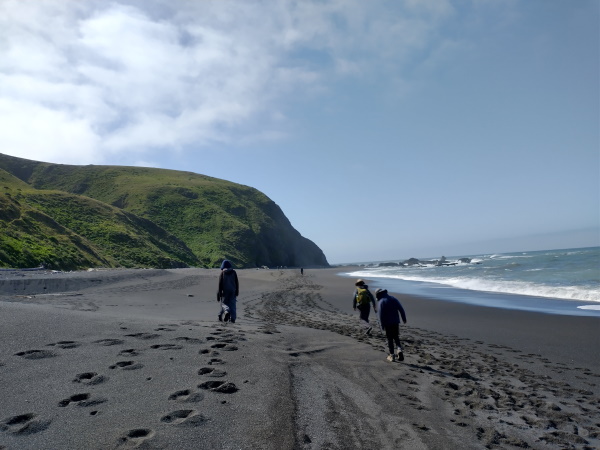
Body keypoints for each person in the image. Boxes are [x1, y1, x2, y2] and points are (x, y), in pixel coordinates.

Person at [376, 288, 407, 362]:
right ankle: (399, 350)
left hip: (387, 323)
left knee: (390, 339)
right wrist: (404, 318)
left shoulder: (381, 302)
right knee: (396, 336)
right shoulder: (393, 298)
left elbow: (381, 315)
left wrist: (382, 325)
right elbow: (401, 308)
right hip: (395, 321)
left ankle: (392, 355)